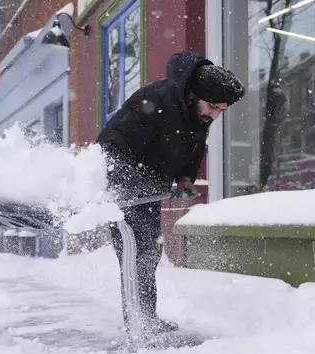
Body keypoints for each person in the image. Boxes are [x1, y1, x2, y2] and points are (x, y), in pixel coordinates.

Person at [96, 51, 245, 334]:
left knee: (150, 253)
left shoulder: (196, 114)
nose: (214, 115)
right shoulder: (152, 103)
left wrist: (186, 175)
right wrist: (133, 184)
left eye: (220, 111)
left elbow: (193, 146)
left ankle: (147, 318)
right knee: (133, 255)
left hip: (149, 194)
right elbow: (110, 148)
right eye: (213, 107)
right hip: (123, 194)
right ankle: (137, 326)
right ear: (193, 94)